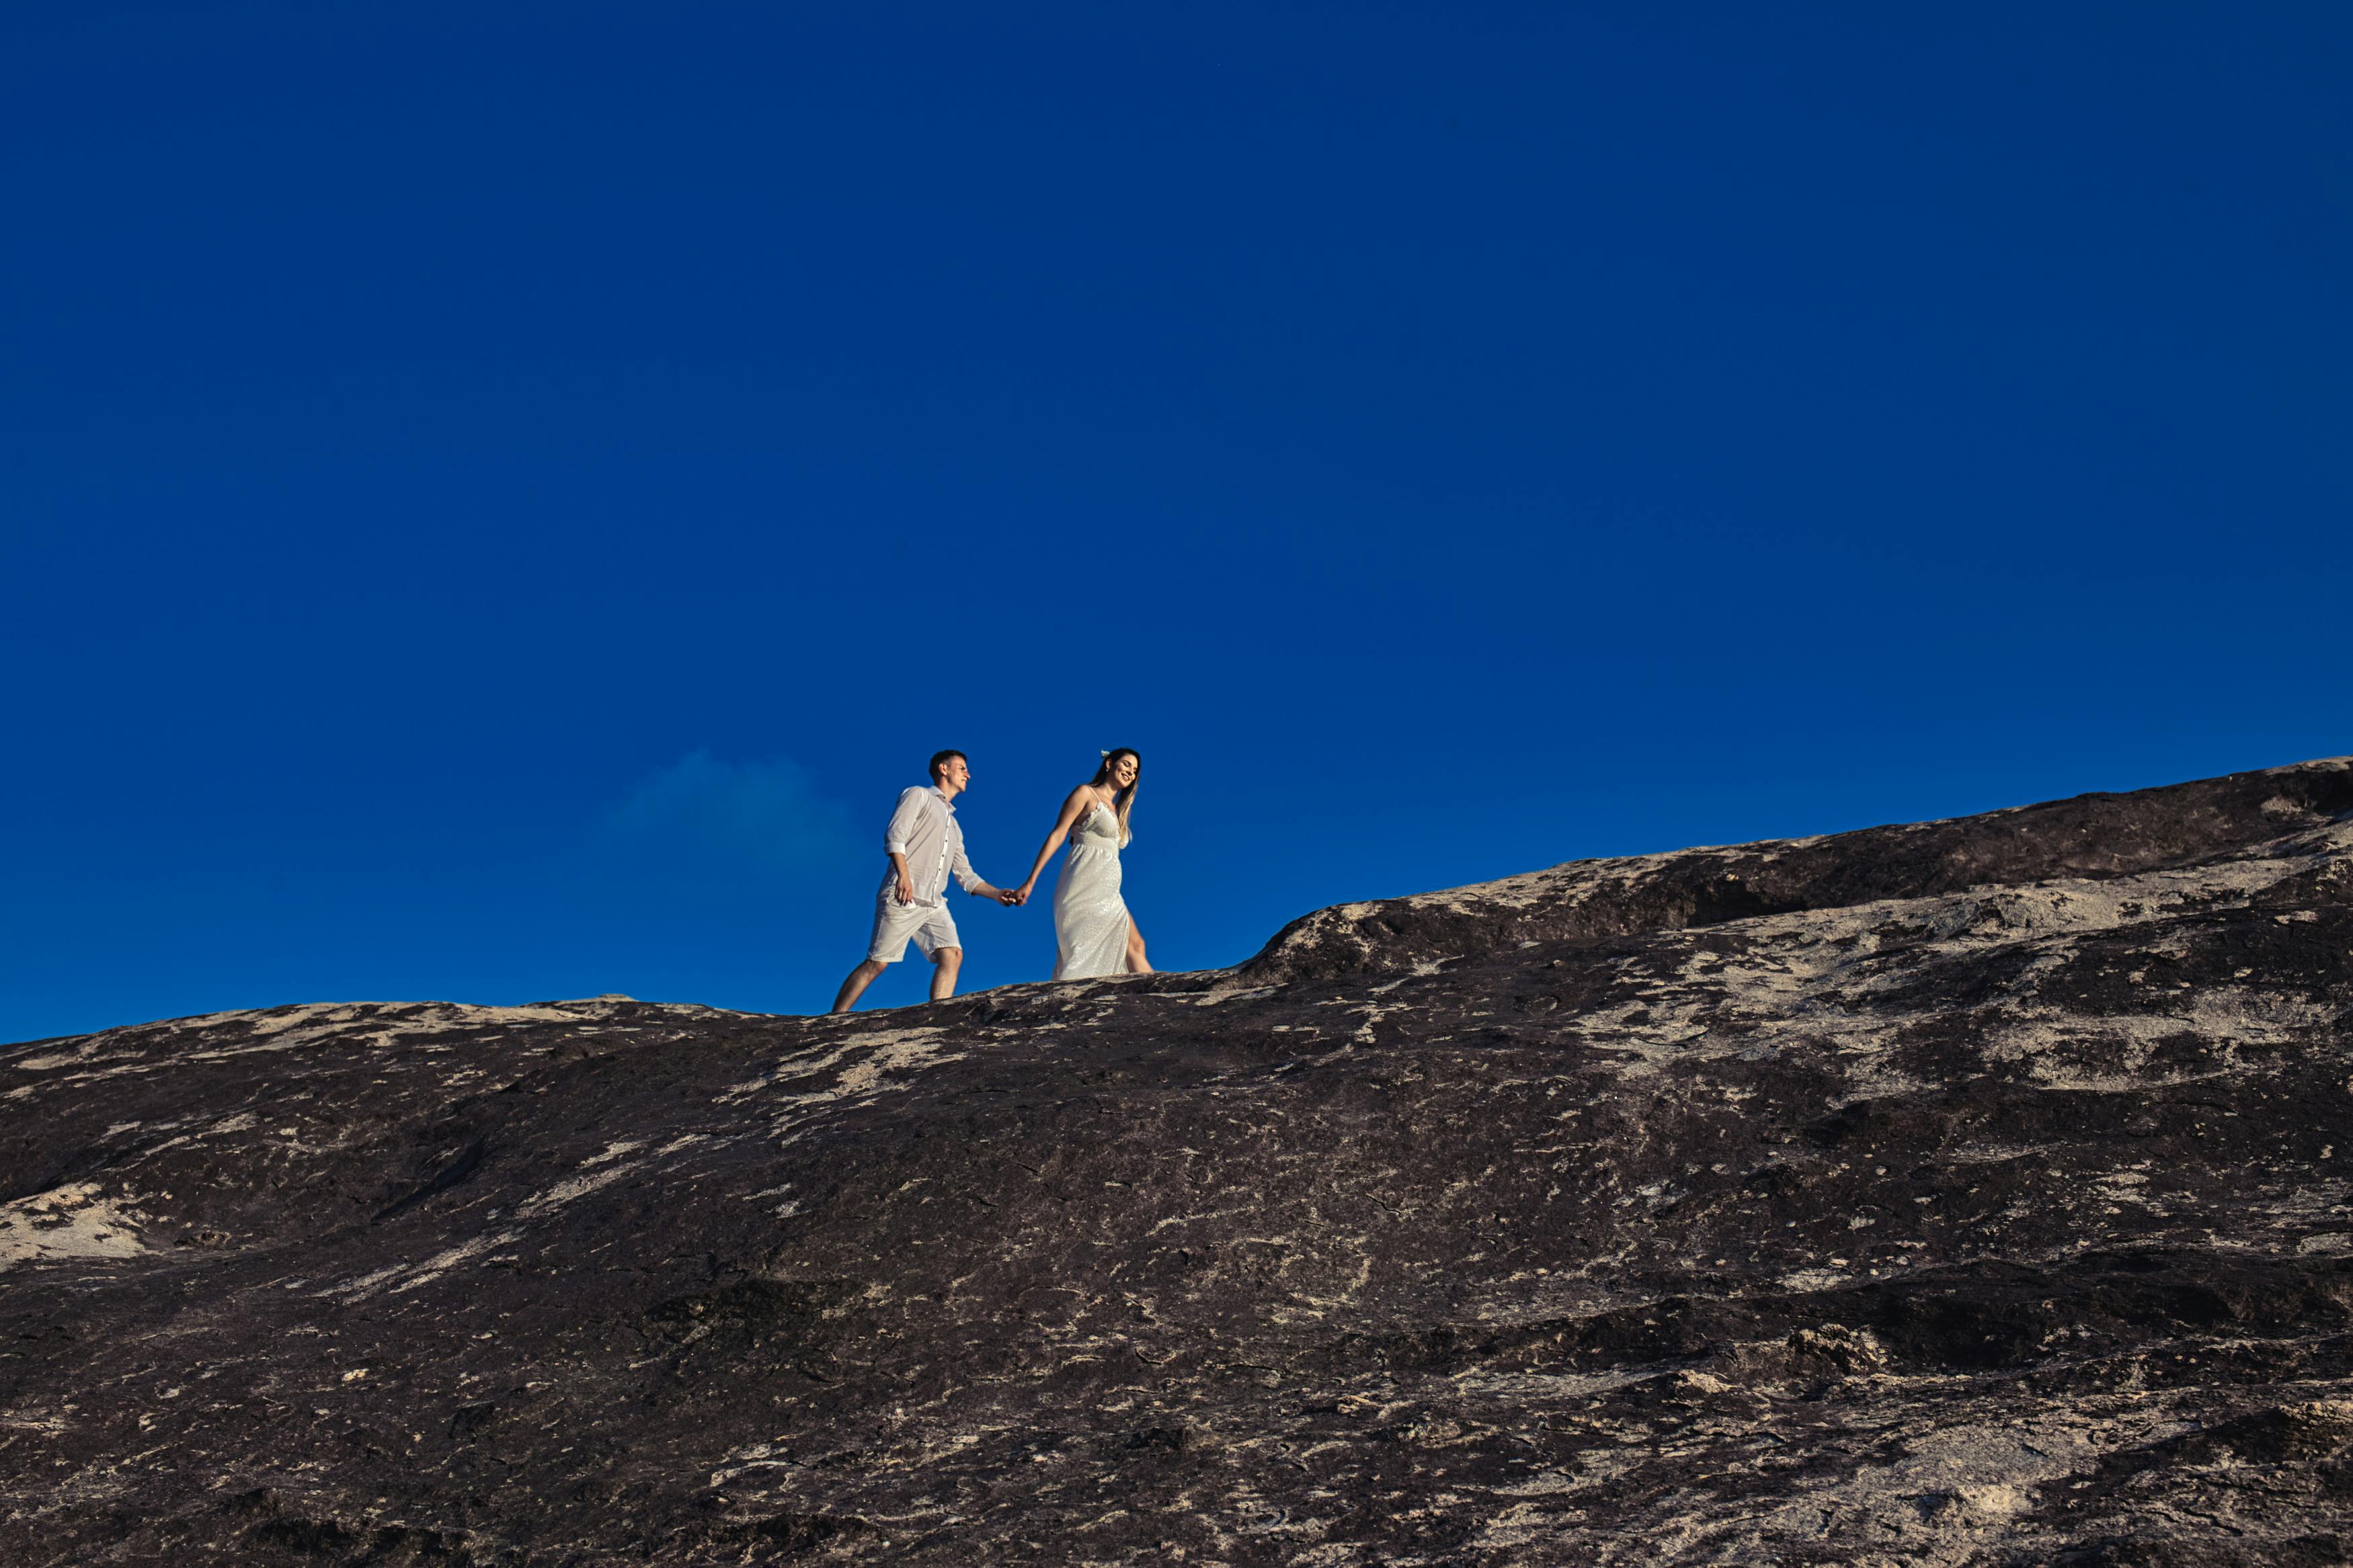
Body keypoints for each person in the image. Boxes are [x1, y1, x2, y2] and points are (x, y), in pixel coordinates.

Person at [830, 750, 1020, 1014]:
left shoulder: (954, 827)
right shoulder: (918, 795)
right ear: (944, 769)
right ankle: (834, 1018)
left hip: (934, 904)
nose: (969, 774)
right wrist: (904, 877)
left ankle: (937, 1018)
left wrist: (997, 894)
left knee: (952, 955)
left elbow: (965, 876)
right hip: (903, 895)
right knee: (878, 963)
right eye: (962, 768)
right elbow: (895, 836)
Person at [1014, 748, 1150, 979]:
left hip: (1109, 891)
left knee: (1136, 945)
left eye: (1135, 770)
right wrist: (1030, 882)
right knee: (1085, 950)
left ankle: (1158, 1001)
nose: (1131, 772)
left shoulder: (1119, 810)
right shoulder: (1086, 794)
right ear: (1109, 764)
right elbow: (1058, 835)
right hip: (1083, 886)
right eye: (1127, 765)